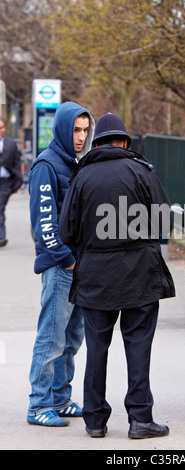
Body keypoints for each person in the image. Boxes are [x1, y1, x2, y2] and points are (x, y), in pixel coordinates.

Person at [59, 113, 175, 439]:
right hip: (140, 274)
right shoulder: (141, 171)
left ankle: (94, 420)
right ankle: (140, 419)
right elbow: (164, 223)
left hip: (96, 275)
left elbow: (66, 231)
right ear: (125, 142)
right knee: (138, 347)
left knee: (97, 347)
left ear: (96, 144)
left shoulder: (81, 177)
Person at [27, 101, 95, 427]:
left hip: (77, 265)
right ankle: (39, 405)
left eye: (84, 130)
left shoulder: (74, 163)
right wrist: (67, 260)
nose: (80, 137)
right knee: (51, 337)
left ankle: (61, 399)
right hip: (59, 266)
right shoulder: (47, 165)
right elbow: (44, 224)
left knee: (71, 338)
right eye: (75, 130)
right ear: (63, 129)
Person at [0, 118, 23, 246]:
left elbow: (16, 162)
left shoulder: (11, 144)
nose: (2, 130)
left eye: (3, 127)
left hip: (6, 182)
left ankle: (1, 237)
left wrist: (17, 182)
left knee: (0, 206)